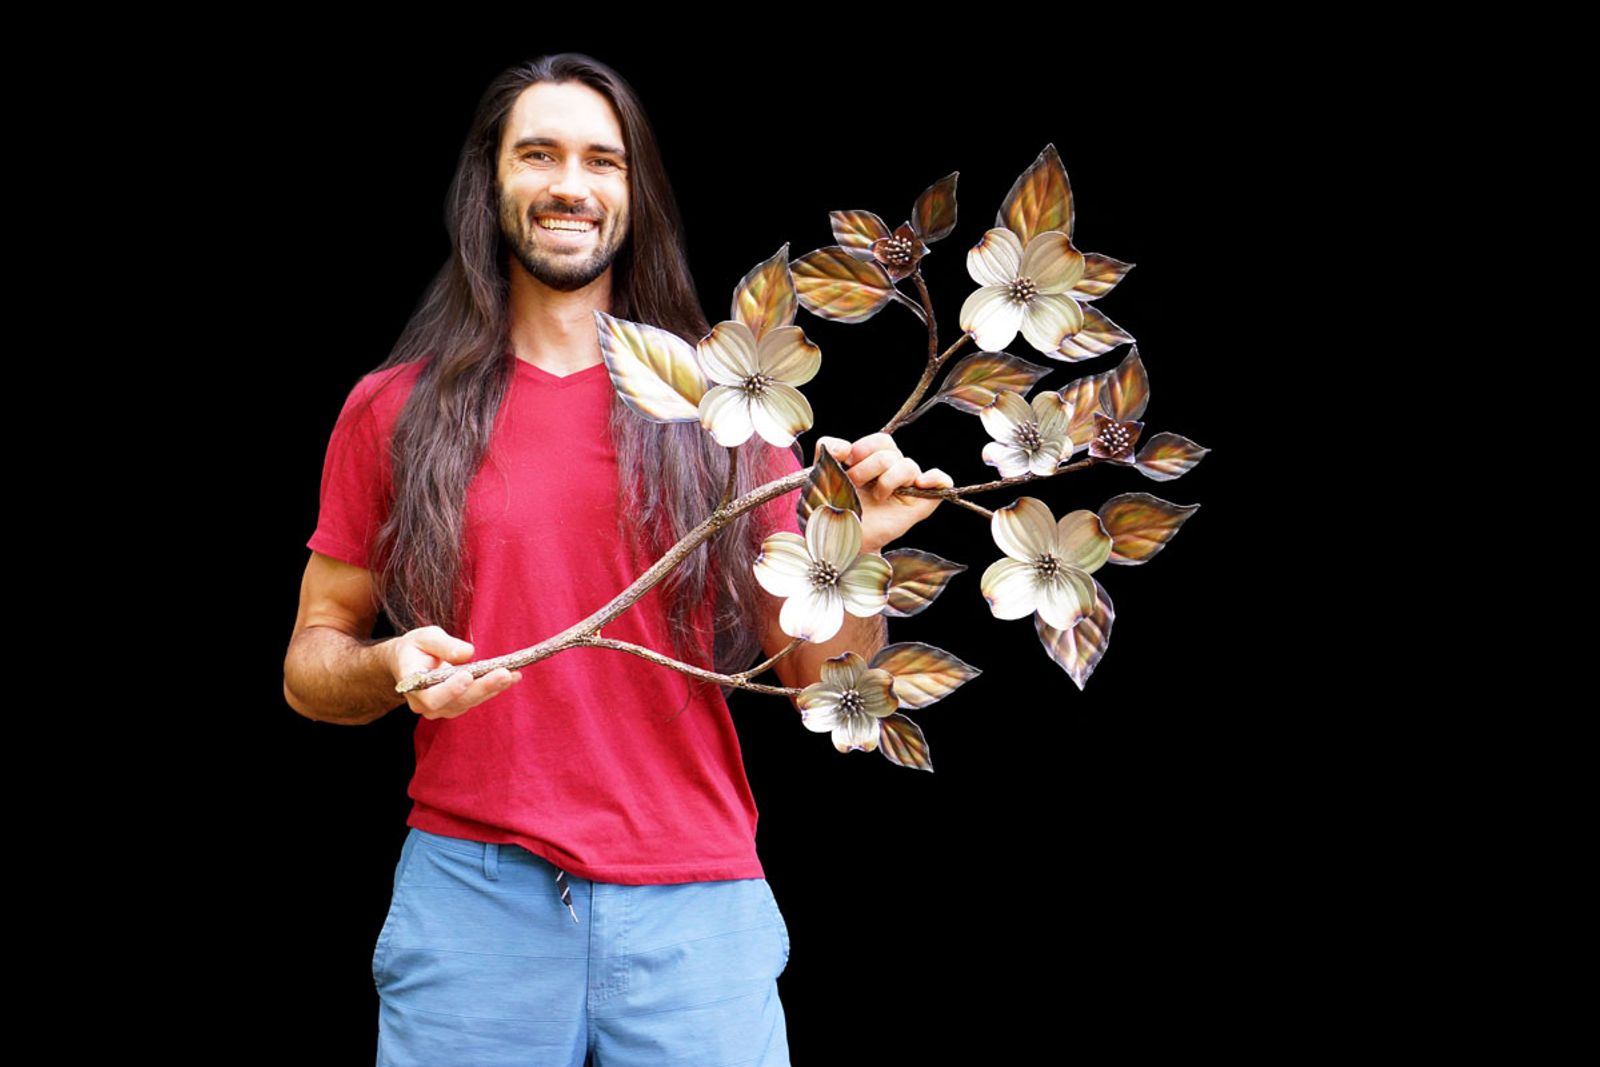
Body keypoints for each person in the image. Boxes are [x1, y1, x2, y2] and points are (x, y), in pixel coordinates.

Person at [283, 53, 953, 1066]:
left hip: (698, 908)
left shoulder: (725, 413)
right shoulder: (392, 411)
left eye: (602, 160)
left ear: (633, 196)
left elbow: (827, 686)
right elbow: (308, 663)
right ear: (490, 181)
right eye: (538, 154)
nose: (569, 183)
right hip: (473, 898)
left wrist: (847, 553)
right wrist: (385, 669)